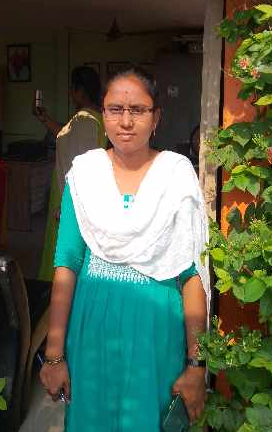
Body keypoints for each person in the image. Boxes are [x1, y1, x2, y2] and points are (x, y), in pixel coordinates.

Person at [40, 65, 210, 431]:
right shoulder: (84, 175)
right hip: (91, 334)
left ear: (156, 117)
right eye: (116, 109)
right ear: (103, 115)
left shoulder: (177, 176)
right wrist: (54, 355)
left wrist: (196, 365)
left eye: (138, 110)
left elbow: (191, 273)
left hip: (156, 336)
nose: (126, 121)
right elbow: (67, 263)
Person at [36, 66, 107, 282]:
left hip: (71, 196)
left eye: (72, 88)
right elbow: (66, 136)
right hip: (69, 194)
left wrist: (70, 204)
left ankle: (61, 291)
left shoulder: (85, 120)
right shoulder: (88, 119)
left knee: (66, 251)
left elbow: (84, 164)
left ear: (80, 91)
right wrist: (45, 119)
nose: (69, 93)